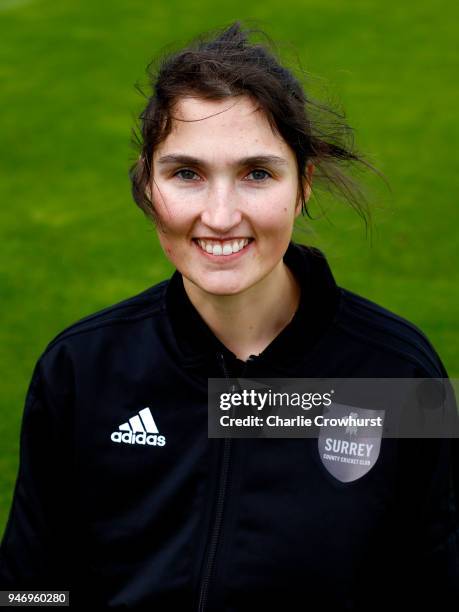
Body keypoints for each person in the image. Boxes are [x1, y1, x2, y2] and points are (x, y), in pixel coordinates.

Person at [0, 20, 458, 611]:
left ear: (304, 185)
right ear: (148, 185)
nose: (220, 216)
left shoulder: (399, 379)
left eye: (257, 173)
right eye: (186, 173)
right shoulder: (83, 369)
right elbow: (30, 589)